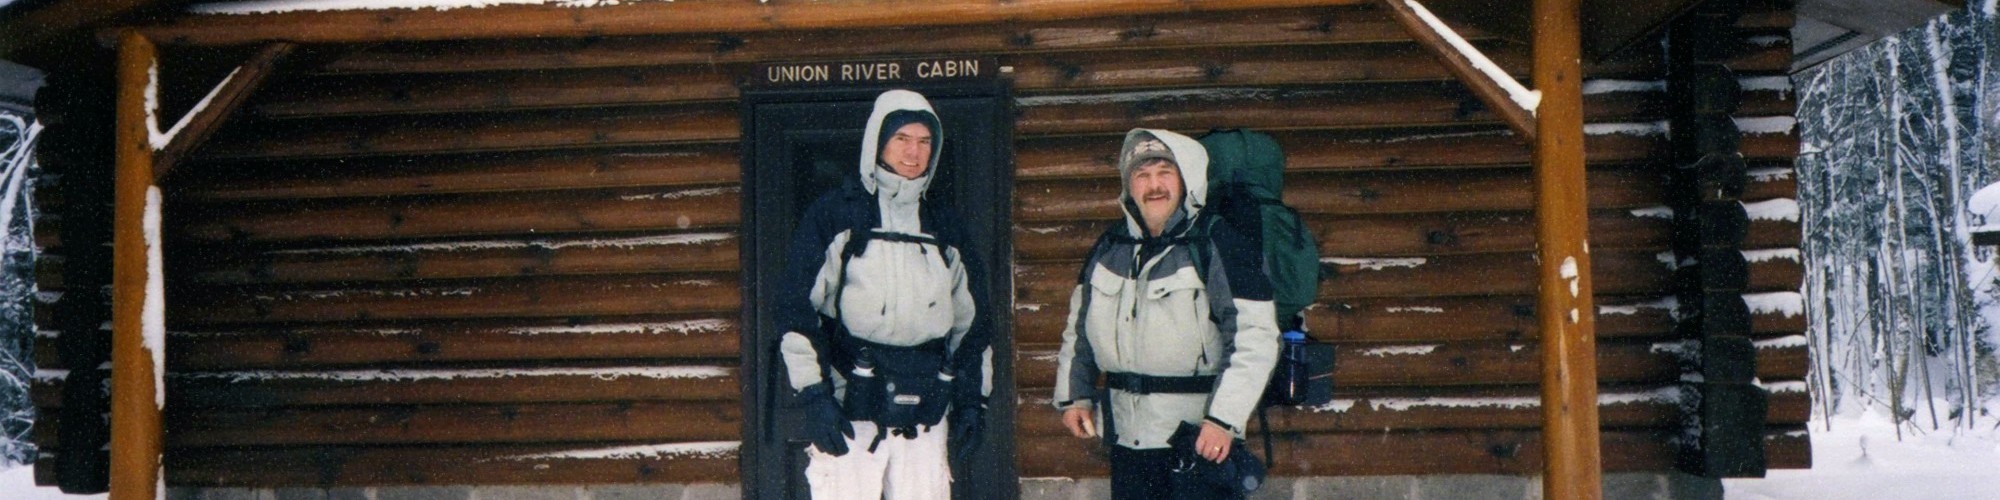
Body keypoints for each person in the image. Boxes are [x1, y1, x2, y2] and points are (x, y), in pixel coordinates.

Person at [773, 89, 991, 500]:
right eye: (902, 139)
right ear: (879, 142)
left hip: (926, 407)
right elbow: (796, 310)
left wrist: (971, 403)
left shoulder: (944, 226)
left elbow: (973, 325)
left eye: (924, 142)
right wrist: (815, 396)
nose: (914, 153)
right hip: (849, 404)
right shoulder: (837, 214)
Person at [1051, 128, 1280, 499]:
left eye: (1164, 172)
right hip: (1128, 441)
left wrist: (1223, 421)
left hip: (1198, 441)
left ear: (1185, 178)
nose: (1153, 185)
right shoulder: (1110, 247)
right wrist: (1074, 396)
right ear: (1128, 186)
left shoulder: (1216, 242)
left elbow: (1255, 337)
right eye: (1141, 175)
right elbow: (1079, 331)